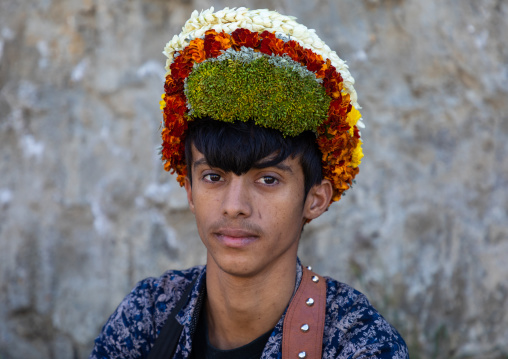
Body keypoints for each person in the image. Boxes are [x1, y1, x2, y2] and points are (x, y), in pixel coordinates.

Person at [90, 7, 409, 359]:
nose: (234, 205)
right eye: (214, 177)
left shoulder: (355, 343)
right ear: (189, 190)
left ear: (315, 199)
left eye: (268, 180)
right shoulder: (149, 314)